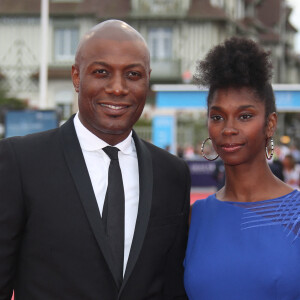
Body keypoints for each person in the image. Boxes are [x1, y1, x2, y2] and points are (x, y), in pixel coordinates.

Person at [0, 20, 191, 299]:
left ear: (147, 80)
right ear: (77, 77)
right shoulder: (20, 163)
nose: (117, 88)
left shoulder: (172, 173)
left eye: (133, 74)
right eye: (102, 72)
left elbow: (172, 286)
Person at [184, 37, 300, 299]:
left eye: (245, 115)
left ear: (270, 124)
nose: (229, 129)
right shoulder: (195, 218)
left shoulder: (297, 215)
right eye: (217, 116)